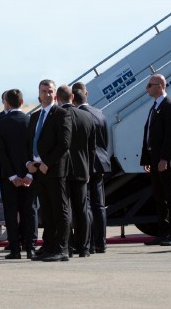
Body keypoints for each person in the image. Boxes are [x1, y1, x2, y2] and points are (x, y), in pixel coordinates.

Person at [140, 74, 171, 247]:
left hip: (165, 160)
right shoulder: (155, 107)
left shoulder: (170, 107)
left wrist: (164, 158)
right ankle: (163, 232)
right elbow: (149, 135)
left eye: (149, 85)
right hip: (154, 159)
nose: (147, 88)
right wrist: (147, 158)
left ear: (160, 86)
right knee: (160, 197)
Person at [27, 79, 72, 262]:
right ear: (39, 93)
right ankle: (48, 246)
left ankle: (61, 248)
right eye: (43, 91)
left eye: (50, 91)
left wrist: (48, 163)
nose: (46, 94)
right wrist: (28, 162)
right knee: (46, 211)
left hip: (53, 170)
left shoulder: (61, 114)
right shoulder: (35, 116)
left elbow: (64, 143)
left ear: (55, 94)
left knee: (59, 210)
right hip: (38, 171)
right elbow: (29, 142)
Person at [0, 89, 38, 260]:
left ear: (7, 103)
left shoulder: (0, 122)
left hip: (7, 176)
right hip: (30, 174)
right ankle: (31, 247)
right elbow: (35, 150)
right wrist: (29, 175)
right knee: (30, 211)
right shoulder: (31, 121)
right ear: (22, 101)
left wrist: (12, 175)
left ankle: (14, 249)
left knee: (11, 213)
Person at [71, 84, 112, 254]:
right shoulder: (99, 113)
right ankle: (101, 242)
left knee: (85, 205)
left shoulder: (79, 116)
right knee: (99, 205)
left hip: (86, 164)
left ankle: (89, 243)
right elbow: (106, 140)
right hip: (101, 162)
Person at [56, 85, 94, 257]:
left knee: (64, 210)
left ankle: (68, 246)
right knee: (82, 209)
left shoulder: (56, 117)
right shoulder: (87, 117)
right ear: (72, 97)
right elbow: (91, 148)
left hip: (62, 170)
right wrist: (88, 169)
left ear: (58, 99)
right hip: (81, 168)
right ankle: (84, 247)